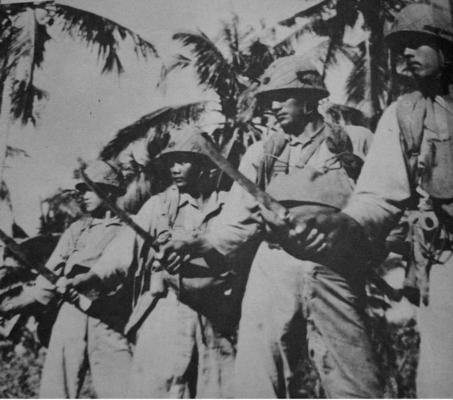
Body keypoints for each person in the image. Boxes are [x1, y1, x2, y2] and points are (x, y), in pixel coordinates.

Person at [159, 55, 382, 398]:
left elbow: (376, 207)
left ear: (310, 100)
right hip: (274, 263)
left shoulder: (356, 140)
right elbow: (237, 219)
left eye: (282, 97)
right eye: (268, 100)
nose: (273, 106)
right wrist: (196, 243)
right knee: (258, 371)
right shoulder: (262, 153)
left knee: (350, 371)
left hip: (334, 264)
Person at [285, 3, 453, 398]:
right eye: (401, 46)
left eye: (419, 44)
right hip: (446, 263)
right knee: (442, 381)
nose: (406, 53)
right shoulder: (406, 114)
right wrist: (346, 223)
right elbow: (378, 196)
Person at [65, 128, 239, 398]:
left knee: (217, 389)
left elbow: (240, 246)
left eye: (183, 160)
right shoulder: (158, 206)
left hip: (214, 314)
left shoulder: (229, 206)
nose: (174, 168)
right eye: (171, 161)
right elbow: (122, 252)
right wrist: (93, 277)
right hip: (166, 309)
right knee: (155, 389)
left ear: (206, 164)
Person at [32, 160, 132, 398]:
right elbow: (49, 277)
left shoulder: (130, 226)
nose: (83, 195)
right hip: (72, 310)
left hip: (111, 315)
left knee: (120, 387)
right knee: (58, 386)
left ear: (108, 190)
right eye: (82, 190)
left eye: (90, 189)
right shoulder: (77, 229)